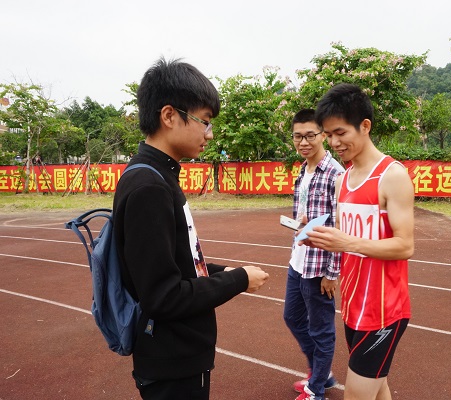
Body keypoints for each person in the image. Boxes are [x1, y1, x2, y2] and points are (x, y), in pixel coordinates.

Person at [113, 57, 269, 400]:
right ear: (169, 116)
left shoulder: (157, 176)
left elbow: (175, 263)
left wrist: (224, 271)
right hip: (173, 363)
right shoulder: (149, 187)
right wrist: (238, 280)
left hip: (177, 356)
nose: (209, 134)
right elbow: (163, 296)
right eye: (205, 121)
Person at [304, 83, 414, 400]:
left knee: (357, 394)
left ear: (365, 126)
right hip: (353, 304)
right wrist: (322, 238)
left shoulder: (392, 176)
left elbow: (405, 246)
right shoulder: (342, 180)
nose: (334, 142)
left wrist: (347, 242)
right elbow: (346, 237)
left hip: (383, 312)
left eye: (340, 133)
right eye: (328, 134)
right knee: (379, 390)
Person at [283, 109, 343, 400]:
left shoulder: (335, 174)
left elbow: (341, 226)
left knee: (321, 330)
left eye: (310, 136)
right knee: (292, 317)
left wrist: (332, 273)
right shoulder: (303, 170)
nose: (303, 142)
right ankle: (321, 372)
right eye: (298, 136)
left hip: (319, 267)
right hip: (298, 260)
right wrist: (297, 225)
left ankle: (316, 388)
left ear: (322, 136)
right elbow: (306, 217)